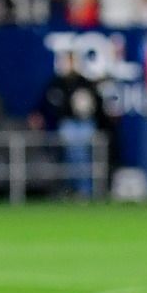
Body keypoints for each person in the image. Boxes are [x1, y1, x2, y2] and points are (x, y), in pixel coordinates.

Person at [33, 52, 105, 197]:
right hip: (67, 124)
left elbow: (97, 105)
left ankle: (84, 190)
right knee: (73, 152)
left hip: (84, 124)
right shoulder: (56, 83)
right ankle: (73, 189)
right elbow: (45, 104)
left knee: (80, 153)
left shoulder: (84, 82)